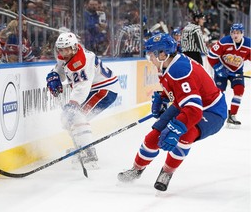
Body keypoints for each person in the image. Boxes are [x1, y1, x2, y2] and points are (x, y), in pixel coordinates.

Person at [117, 33, 227, 192]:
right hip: (187, 105)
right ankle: (136, 169)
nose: (149, 58)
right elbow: (178, 91)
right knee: (153, 137)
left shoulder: (180, 70)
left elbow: (194, 110)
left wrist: (176, 129)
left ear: (162, 53)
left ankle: (167, 172)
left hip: (212, 110)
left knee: (185, 135)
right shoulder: (167, 65)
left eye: (151, 54)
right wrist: (163, 97)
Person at [46, 32, 119, 168]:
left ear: (74, 47)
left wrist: (73, 104)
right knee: (69, 120)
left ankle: (90, 154)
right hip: (93, 88)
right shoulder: (69, 54)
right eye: (60, 49)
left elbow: (82, 87)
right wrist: (54, 75)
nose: (63, 52)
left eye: (66, 49)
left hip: (104, 90)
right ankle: (81, 147)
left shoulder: (81, 61)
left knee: (77, 117)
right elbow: (61, 68)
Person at [207, 23, 251, 127]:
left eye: (238, 33)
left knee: (239, 91)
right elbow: (211, 56)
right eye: (233, 33)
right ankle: (216, 114)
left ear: (242, 34)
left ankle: (232, 115)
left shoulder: (248, 44)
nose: (235, 35)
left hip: (237, 70)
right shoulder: (224, 41)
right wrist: (219, 69)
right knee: (219, 93)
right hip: (221, 68)